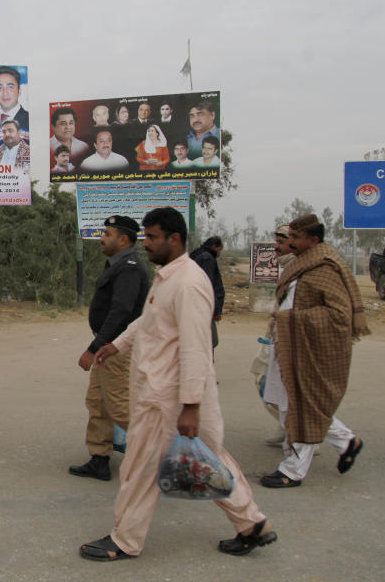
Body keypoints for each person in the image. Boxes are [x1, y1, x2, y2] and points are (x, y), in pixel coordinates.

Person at [80, 207, 275, 561]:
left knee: (139, 469)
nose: (147, 244)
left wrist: (190, 405)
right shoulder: (168, 277)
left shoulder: (189, 283)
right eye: (146, 236)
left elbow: (196, 349)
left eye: (153, 237)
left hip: (170, 400)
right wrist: (116, 345)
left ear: (175, 239)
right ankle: (251, 524)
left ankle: (125, 540)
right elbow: (148, 322)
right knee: (211, 463)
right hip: (168, 397)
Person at [259, 214, 369, 488]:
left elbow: (339, 315)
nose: (290, 241)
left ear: (314, 240)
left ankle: (293, 470)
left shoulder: (325, 268)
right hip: (288, 345)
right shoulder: (303, 264)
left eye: (296, 237)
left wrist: (291, 319)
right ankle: (346, 442)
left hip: (308, 348)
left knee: (300, 405)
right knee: (290, 404)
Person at [69, 216, 148, 481]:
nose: (102, 238)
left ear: (123, 239)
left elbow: (121, 312)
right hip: (107, 346)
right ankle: (99, 458)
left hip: (115, 349)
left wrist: (93, 348)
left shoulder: (129, 267)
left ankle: (163, 457)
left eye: (108, 233)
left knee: (120, 406)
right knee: (98, 403)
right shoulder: (118, 265)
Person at [249, 224, 296, 448]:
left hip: (292, 341)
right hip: (276, 337)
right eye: (275, 242)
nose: (276, 247)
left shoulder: (301, 268)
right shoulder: (287, 268)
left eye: (281, 242)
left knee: (286, 390)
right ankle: (286, 426)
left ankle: (307, 436)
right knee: (266, 384)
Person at [189, 236, 225, 348]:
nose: (219, 253)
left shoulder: (199, 255)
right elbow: (207, 286)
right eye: (220, 250)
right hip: (204, 309)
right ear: (215, 246)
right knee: (209, 343)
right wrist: (216, 311)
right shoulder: (207, 258)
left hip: (199, 307)